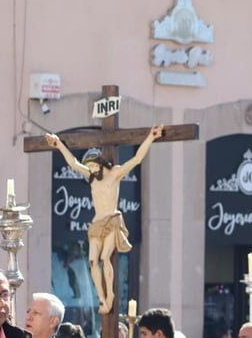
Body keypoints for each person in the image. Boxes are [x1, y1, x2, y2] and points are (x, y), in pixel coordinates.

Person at [46, 126, 164, 314]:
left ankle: (110, 295)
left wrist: (150, 137)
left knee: (104, 257)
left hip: (111, 220)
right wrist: (58, 144)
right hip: (97, 223)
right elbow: (74, 163)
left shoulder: (114, 173)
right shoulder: (93, 178)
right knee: (92, 261)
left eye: (93, 166)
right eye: (90, 168)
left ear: (100, 163)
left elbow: (136, 159)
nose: (91, 170)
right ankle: (101, 298)